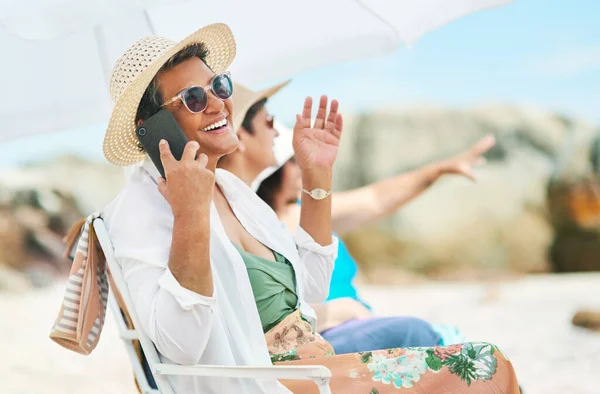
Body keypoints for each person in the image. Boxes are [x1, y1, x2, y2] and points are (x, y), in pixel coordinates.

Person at [102, 24, 519, 393]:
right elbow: (181, 346)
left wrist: (316, 177)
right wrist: (189, 215)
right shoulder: (139, 213)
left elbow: (312, 289)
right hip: (269, 382)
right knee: (483, 365)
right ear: (153, 127)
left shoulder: (230, 188)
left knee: (486, 362)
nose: (218, 103)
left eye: (220, 86)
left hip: (318, 366)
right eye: (193, 97)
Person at [221, 82, 449, 353]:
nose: (276, 132)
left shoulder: (252, 209)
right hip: (295, 364)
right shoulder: (223, 209)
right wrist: (341, 312)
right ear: (239, 134)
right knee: (419, 334)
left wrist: (319, 172)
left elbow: (313, 286)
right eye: (269, 121)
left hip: (311, 349)